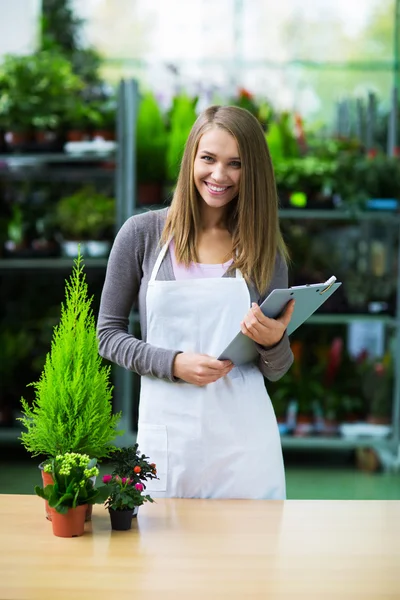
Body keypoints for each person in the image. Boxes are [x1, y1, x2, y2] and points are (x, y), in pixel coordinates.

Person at [97, 105, 295, 500]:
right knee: (164, 556)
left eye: (235, 164)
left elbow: (276, 370)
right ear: (192, 159)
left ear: (251, 171)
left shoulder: (262, 248)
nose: (219, 175)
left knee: (249, 560)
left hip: (246, 444)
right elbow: (108, 335)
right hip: (170, 436)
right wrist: (173, 363)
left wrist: (273, 342)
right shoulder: (142, 234)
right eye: (208, 158)